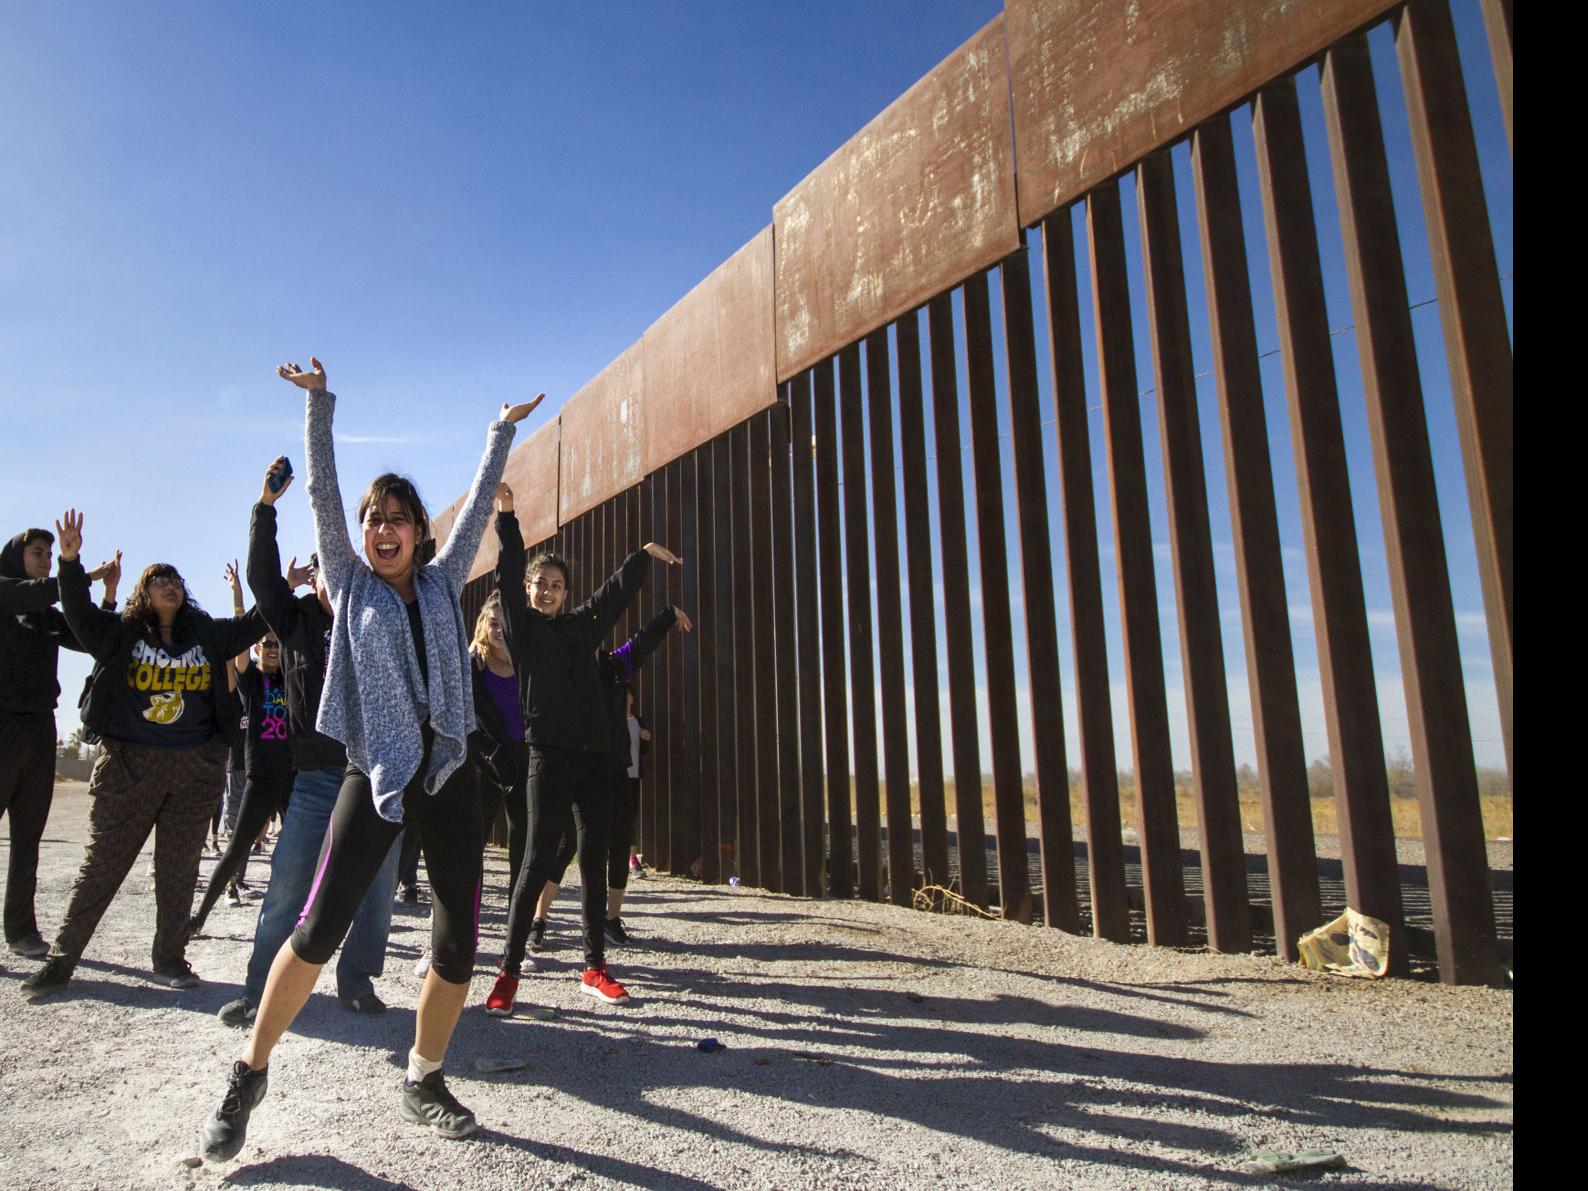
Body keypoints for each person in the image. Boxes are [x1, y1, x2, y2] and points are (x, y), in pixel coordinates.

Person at [198, 357, 541, 1162]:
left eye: (397, 518)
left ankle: (424, 1076)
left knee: (458, 941)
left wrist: (501, 431)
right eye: (373, 518)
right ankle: (248, 1072)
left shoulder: (444, 576)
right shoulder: (349, 583)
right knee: (317, 928)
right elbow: (322, 492)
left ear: (420, 530)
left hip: (448, 775)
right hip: (377, 774)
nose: (382, 529)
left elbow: (477, 518)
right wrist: (319, 406)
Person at [20, 518, 265, 1000]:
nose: (168, 586)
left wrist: (284, 584)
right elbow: (78, 613)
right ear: (143, 593)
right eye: (158, 580)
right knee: (102, 866)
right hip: (130, 767)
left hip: (194, 768)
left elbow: (255, 623)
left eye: (174, 580)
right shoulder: (121, 634)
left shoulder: (207, 636)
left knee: (178, 868)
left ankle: (169, 957)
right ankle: (61, 960)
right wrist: (69, 562)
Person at [216, 457, 402, 1029]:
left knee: (375, 891)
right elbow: (262, 578)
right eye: (320, 570)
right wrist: (265, 508)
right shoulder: (296, 622)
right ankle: (258, 990)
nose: (327, 578)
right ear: (314, 578)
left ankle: (357, 981)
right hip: (316, 777)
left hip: (376, 778)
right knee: (287, 887)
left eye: (336, 568)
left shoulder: (372, 611)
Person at [484, 483, 679, 1018]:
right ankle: (509, 971)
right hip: (547, 758)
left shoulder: (580, 627)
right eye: (540, 584)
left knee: (593, 861)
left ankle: (593, 966)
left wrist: (640, 559)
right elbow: (506, 569)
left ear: (567, 593)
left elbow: (612, 597)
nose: (548, 591)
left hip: (596, 761)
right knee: (535, 861)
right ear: (526, 590)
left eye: (557, 585)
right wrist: (508, 515)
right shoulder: (522, 631)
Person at [529, 607, 690, 950]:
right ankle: (538, 918)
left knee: (619, 846)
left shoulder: (615, 667)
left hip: (615, 771)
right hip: (574, 768)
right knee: (565, 846)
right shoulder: (562, 668)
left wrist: (666, 616)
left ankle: (611, 919)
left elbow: (642, 642)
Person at [0, 530, 120, 958]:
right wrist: (80, 572)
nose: (46, 560)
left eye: (51, 555)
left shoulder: (48, 614)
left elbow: (93, 638)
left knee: (29, 837)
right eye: (38, 553)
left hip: (39, 730)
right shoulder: (6, 591)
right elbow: (40, 590)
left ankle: (20, 931)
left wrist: (107, 594)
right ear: (16, 557)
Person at [187, 605, 293, 935]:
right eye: (267, 643)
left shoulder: (292, 681)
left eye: (277, 644)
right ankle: (200, 917)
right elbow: (239, 639)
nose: (273, 649)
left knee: (312, 850)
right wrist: (238, 596)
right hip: (259, 777)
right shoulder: (251, 680)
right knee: (235, 849)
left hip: (292, 777)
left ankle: (318, 921)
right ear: (258, 648)